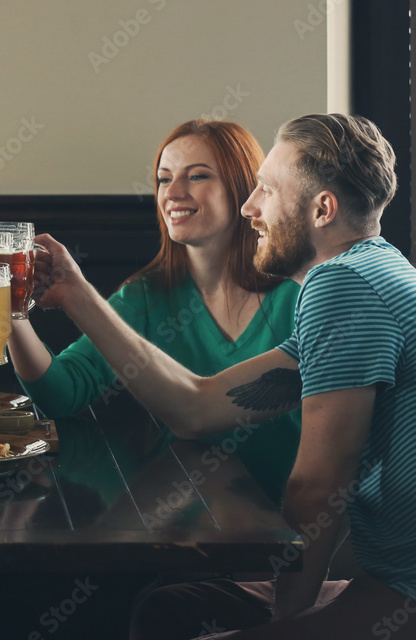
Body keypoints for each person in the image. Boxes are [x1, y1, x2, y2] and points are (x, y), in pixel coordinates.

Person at [31, 113, 415, 639]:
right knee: (170, 610)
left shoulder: (341, 286)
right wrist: (75, 293)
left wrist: (284, 621)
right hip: (383, 577)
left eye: (266, 190)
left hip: (400, 589)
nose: (249, 208)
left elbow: (320, 485)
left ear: (322, 208)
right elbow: (198, 407)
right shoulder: (375, 269)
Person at [8, 120, 301, 505]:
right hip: (186, 517)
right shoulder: (144, 297)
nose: (174, 193)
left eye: (197, 176)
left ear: (245, 187)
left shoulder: (298, 295)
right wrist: (9, 310)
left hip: (286, 520)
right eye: (164, 180)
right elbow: (62, 393)